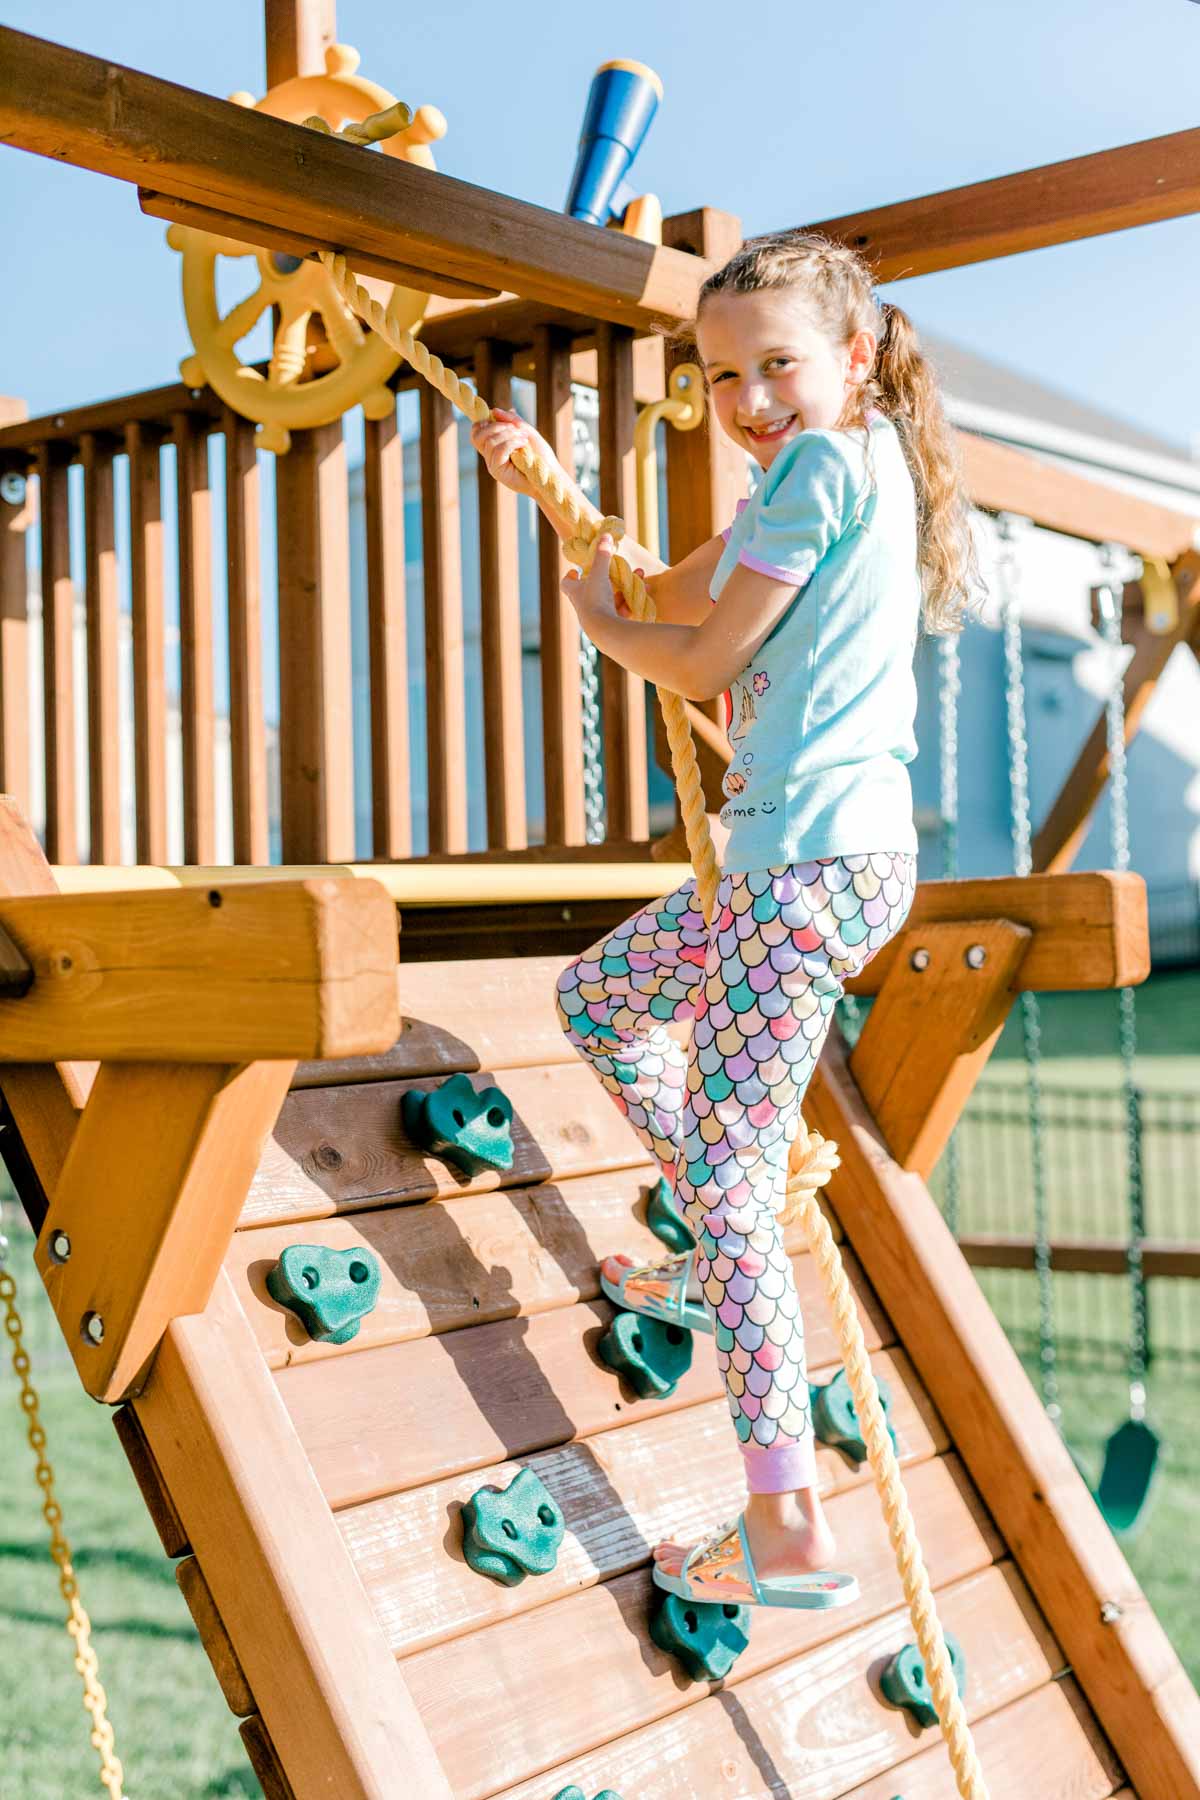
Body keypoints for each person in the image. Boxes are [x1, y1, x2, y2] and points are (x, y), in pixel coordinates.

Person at [470, 229, 980, 1610]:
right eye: (726, 377)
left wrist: (594, 623)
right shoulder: (838, 470)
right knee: (600, 1003)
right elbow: (683, 581)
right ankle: (713, 1250)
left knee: (744, 1186)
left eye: (779, 367)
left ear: (857, 356)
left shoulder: (819, 467)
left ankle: (785, 1518)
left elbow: (693, 647)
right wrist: (556, 497)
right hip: (818, 864)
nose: (752, 401)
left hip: (795, 869)